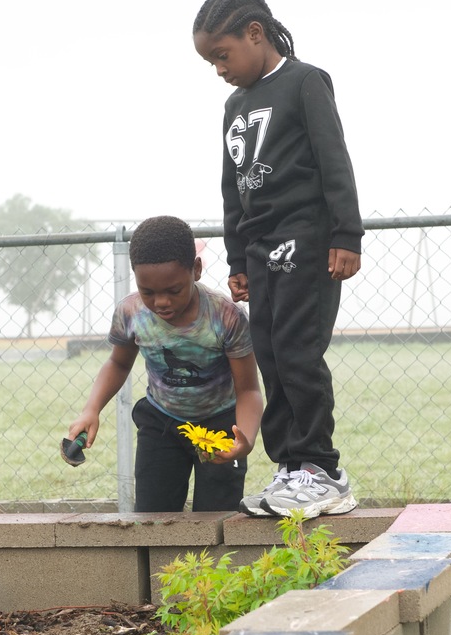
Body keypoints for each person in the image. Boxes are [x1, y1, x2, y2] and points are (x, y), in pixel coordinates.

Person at [193, 0, 362, 518]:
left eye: (222, 56)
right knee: (269, 353)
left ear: (255, 33)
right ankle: (291, 468)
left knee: (297, 351)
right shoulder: (234, 107)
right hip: (260, 246)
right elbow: (232, 190)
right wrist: (238, 259)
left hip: (306, 239)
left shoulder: (305, 82)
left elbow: (334, 159)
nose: (219, 70)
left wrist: (346, 233)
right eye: (211, 62)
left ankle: (322, 470)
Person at [66, 215, 263, 512]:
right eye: (148, 292)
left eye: (173, 290)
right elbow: (118, 364)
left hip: (219, 427)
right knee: (152, 519)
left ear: (196, 270)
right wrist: (91, 409)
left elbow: (248, 389)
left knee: (216, 519)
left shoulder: (226, 316)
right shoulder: (131, 312)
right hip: (161, 423)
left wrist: (245, 438)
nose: (161, 302)